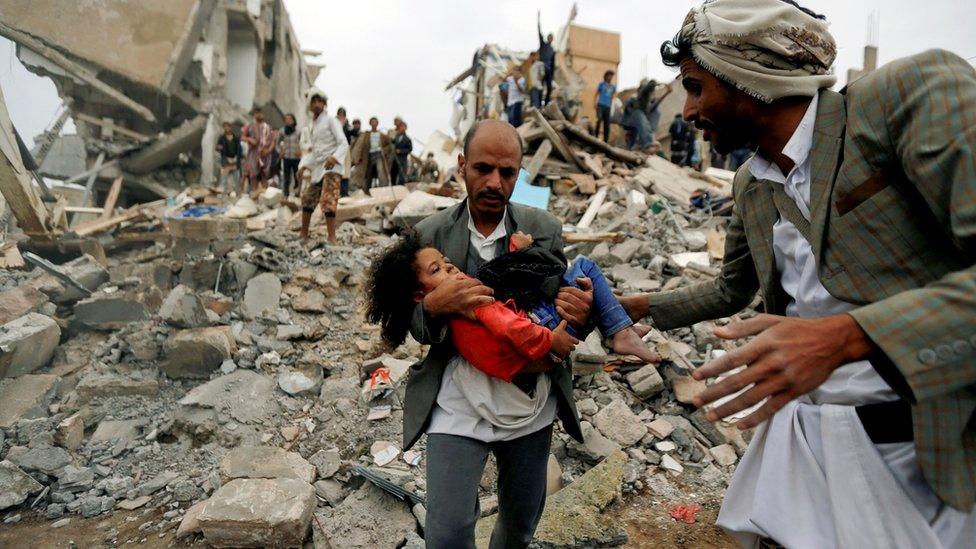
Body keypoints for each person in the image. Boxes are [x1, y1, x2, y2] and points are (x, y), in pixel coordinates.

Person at [619, 0, 976, 546]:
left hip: (930, 453)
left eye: (694, 87)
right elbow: (730, 289)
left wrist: (845, 339)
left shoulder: (904, 98)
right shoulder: (752, 185)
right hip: (811, 448)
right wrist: (637, 307)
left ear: (746, 78)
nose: (686, 113)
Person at [403, 120, 596, 548]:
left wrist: (580, 310)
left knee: (519, 526)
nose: (494, 182)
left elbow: (561, 309)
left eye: (506, 173)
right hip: (458, 399)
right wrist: (435, 305)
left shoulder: (542, 228)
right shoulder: (430, 236)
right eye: (483, 169)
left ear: (519, 173)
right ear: (461, 167)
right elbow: (406, 323)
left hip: (529, 401)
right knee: (448, 532)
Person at [296, 88, 348, 244]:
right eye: (314, 101)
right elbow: (315, 152)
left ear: (324, 104)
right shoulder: (312, 125)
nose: (317, 104)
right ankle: (303, 234)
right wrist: (303, 166)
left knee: (328, 200)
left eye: (320, 102)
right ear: (310, 105)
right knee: (307, 198)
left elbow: (343, 143)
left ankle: (332, 238)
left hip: (333, 166)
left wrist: (334, 157)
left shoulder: (331, 121)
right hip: (319, 167)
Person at [352, 116, 392, 191]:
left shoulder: (382, 135)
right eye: (372, 122)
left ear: (377, 123)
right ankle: (367, 190)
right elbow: (360, 145)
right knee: (367, 173)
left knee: (380, 171)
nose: (373, 124)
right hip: (368, 156)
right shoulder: (366, 134)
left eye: (375, 122)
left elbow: (390, 145)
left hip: (378, 155)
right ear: (370, 124)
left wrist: (384, 149)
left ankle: (383, 188)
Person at [241, 107, 275, 194]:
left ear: (263, 115)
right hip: (253, 154)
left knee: (264, 175)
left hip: (265, 154)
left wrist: (268, 150)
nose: (259, 115)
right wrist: (249, 139)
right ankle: (254, 193)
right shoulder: (250, 126)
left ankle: (265, 195)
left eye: (261, 113)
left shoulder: (268, 127)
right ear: (254, 115)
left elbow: (273, 141)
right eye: (257, 113)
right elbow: (242, 137)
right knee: (253, 175)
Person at [278, 113, 301, 198]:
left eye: (290, 119)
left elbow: (302, 143)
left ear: (293, 120)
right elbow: (277, 143)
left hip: (296, 158)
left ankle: (297, 192)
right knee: (286, 177)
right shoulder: (282, 131)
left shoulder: (298, 131)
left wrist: (300, 151)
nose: (288, 121)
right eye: (286, 119)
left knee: (297, 176)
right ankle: (286, 195)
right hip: (286, 157)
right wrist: (280, 151)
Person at [215, 122, 242, 195]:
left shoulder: (236, 137)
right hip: (226, 161)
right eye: (225, 127)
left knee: (237, 179)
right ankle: (222, 195)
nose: (226, 128)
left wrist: (237, 158)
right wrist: (219, 147)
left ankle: (238, 195)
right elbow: (217, 147)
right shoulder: (222, 138)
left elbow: (239, 149)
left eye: (227, 126)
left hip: (235, 161)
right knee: (224, 179)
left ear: (230, 127)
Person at [537, 12, 556, 105]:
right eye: (549, 37)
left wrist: (552, 75)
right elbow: (539, 33)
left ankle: (546, 103)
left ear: (553, 39)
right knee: (541, 87)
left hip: (548, 71)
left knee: (549, 88)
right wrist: (538, 20)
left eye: (551, 37)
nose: (550, 38)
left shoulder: (552, 50)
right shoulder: (543, 45)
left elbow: (553, 63)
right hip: (542, 69)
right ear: (547, 38)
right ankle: (540, 104)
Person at [594, 70, 616, 143]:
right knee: (599, 120)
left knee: (607, 124)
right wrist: (595, 103)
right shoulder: (602, 84)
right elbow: (597, 94)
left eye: (611, 76)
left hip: (607, 107)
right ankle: (595, 137)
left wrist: (612, 107)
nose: (610, 77)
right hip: (600, 105)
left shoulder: (613, 87)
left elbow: (612, 98)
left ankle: (605, 141)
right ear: (606, 76)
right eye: (609, 76)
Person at [391, 121, 413, 186]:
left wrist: (401, 151)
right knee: (393, 174)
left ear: (406, 128)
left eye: (403, 127)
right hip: (395, 159)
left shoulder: (408, 139)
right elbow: (392, 143)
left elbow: (410, 149)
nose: (402, 128)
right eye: (401, 127)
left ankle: (400, 187)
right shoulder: (396, 137)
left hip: (402, 160)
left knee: (402, 176)